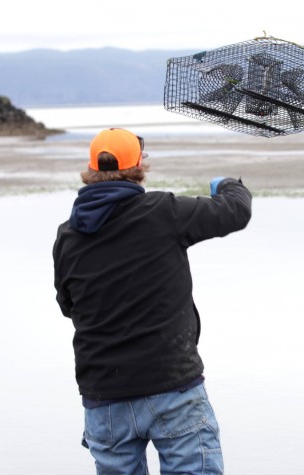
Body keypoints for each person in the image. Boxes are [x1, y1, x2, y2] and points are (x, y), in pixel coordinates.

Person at [52, 127, 252, 475]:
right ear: (139, 165)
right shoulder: (163, 211)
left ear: (91, 169)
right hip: (171, 386)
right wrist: (228, 185)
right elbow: (236, 211)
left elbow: (68, 306)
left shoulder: (68, 235)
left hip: (104, 396)